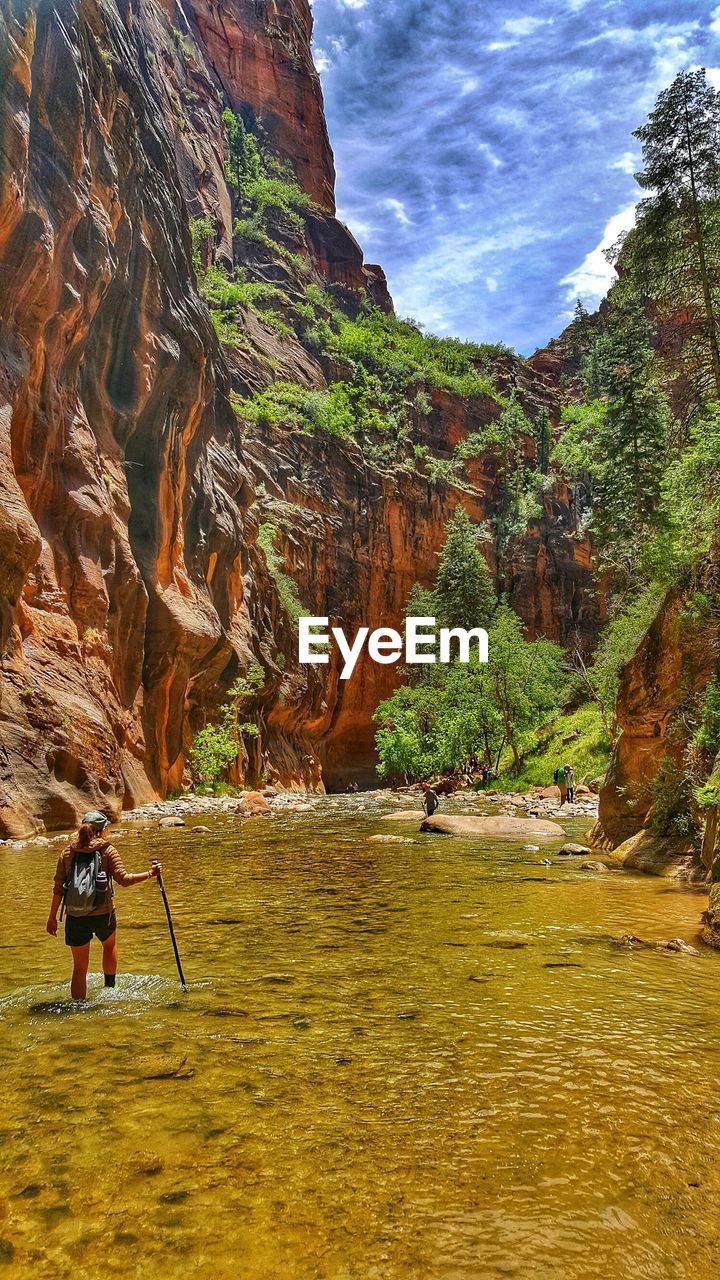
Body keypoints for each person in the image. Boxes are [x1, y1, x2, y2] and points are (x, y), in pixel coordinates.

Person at [46, 810, 162, 1000]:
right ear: (102, 830)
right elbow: (124, 879)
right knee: (109, 946)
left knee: (80, 968)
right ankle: (110, 989)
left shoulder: (67, 853)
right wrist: (150, 873)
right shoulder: (107, 850)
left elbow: (58, 888)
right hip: (103, 913)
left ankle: (77, 1008)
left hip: (75, 916)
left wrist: (52, 918)